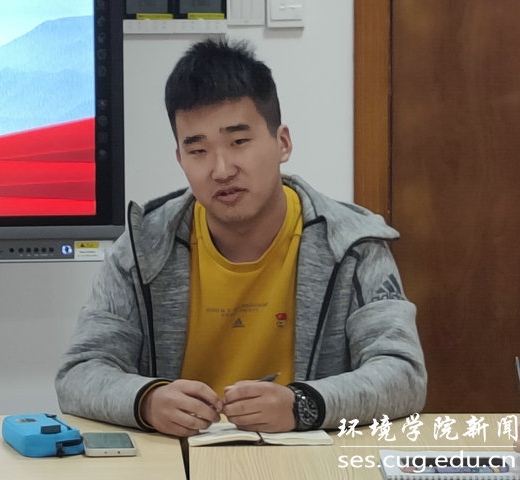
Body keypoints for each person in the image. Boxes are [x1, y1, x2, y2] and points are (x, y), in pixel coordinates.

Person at [55, 38, 427, 437]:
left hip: (308, 457)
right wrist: (147, 400)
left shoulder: (352, 244)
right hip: (178, 460)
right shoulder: (143, 245)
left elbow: (402, 374)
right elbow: (80, 372)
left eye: (239, 142)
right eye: (198, 150)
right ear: (180, 158)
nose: (221, 169)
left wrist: (302, 405)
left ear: (282, 143)